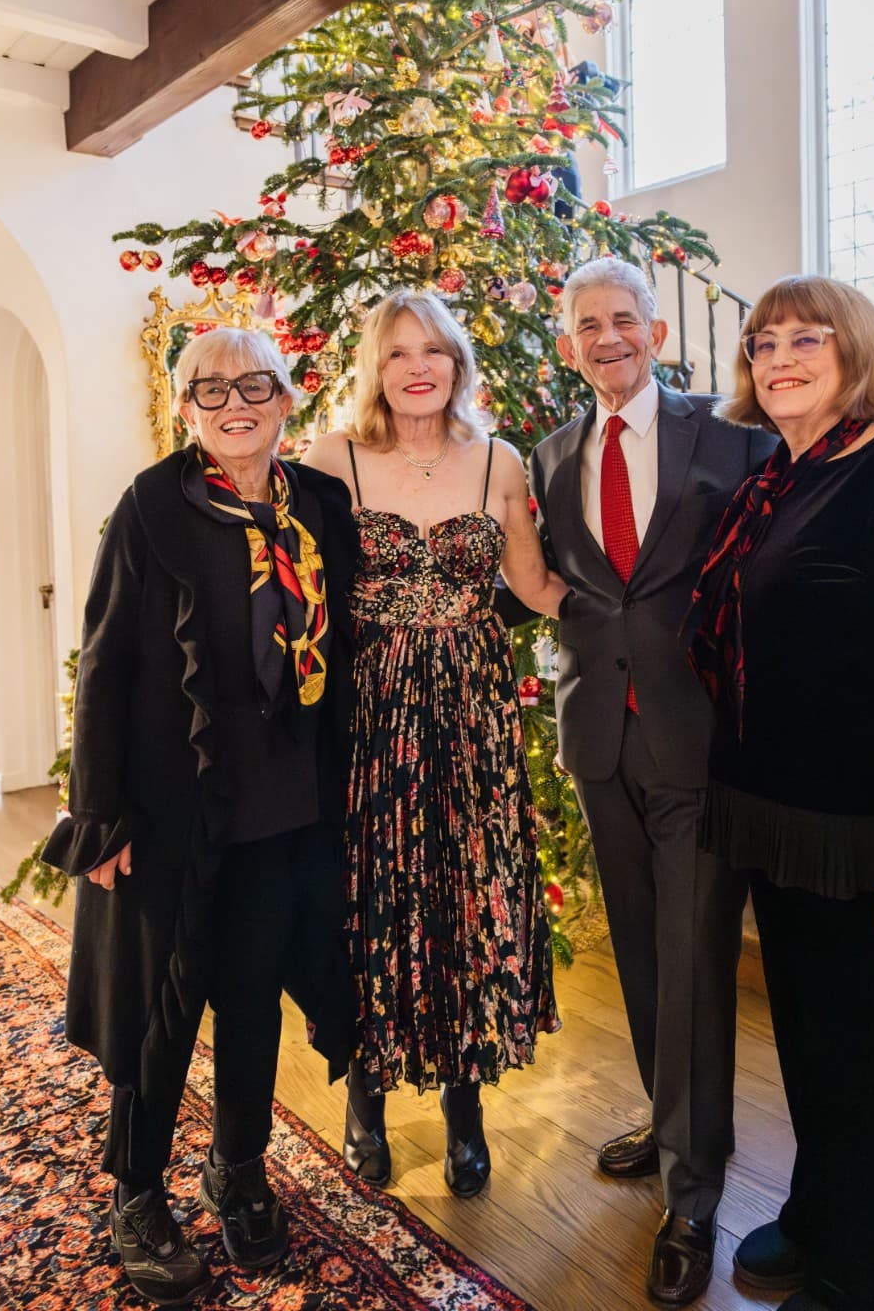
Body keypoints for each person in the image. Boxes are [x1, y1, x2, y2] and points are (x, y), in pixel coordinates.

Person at [685, 276, 874, 1311]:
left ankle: (867, 1273)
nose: (776, 359)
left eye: (802, 339)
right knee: (811, 1042)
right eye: (759, 343)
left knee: (872, 1061)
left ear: (852, 351)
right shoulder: (776, 479)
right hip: (781, 822)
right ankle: (818, 1213)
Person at [42, 326, 358, 1305]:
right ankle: (135, 1192)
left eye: (252, 384)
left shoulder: (320, 503)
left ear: (285, 396)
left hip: (288, 801)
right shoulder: (154, 506)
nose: (233, 403)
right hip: (174, 802)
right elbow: (105, 661)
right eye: (208, 389)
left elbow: (354, 641)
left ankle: (238, 1166)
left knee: (254, 995)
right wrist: (99, 814)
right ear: (184, 408)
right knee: (162, 1007)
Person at [525, 255, 772, 1307]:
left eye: (623, 319)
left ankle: (691, 1190)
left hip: (697, 736)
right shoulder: (544, 455)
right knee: (635, 945)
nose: (606, 337)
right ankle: (672, 1113)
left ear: (656, 332)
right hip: (597, 737)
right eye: (587, 324)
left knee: (692, 955)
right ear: (567, 342)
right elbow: (556, 585)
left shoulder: (734, 441)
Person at [303, 287, 567, 1198]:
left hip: (470, 714)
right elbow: (291, 590)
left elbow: (533, 584)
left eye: (433, 351)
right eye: (396, 352)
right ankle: (364, 1100)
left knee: (464, 897)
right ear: (375, 369)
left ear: (457, 363)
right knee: (372, 894)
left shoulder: (497, 460)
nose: (417, 367)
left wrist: (658, 596)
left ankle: (464, 1109)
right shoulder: (332, 459)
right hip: (369, 713)